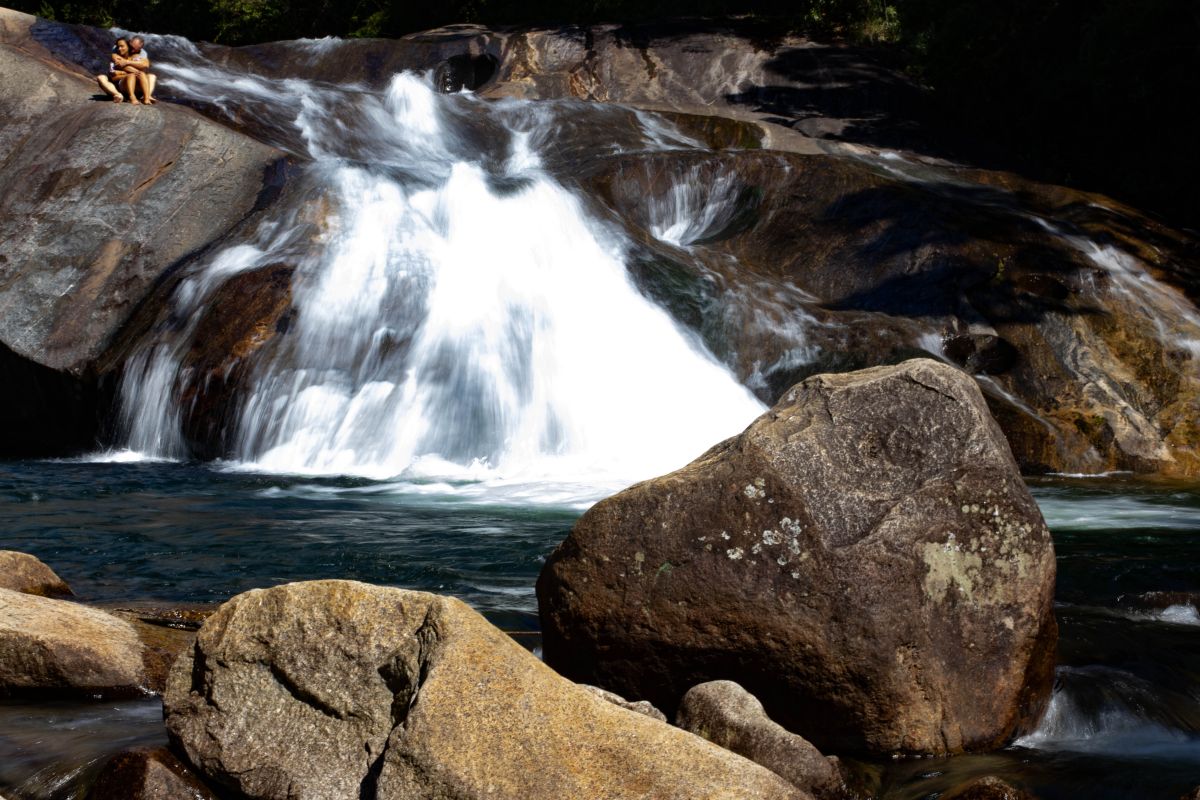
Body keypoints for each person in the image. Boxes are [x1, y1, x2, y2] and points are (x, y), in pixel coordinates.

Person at [95, 37, 132, 103]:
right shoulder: (115, 58)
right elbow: (112, 75)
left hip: (128, 87)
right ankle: (118, 95)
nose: (119, 49)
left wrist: (120, 73)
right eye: (118, 47)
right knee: (101, 77)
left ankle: (129, 96)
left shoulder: (135, 59)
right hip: (115, 87)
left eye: (122, 46)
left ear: (129, 46)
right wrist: (125, 73)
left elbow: (138, 74)